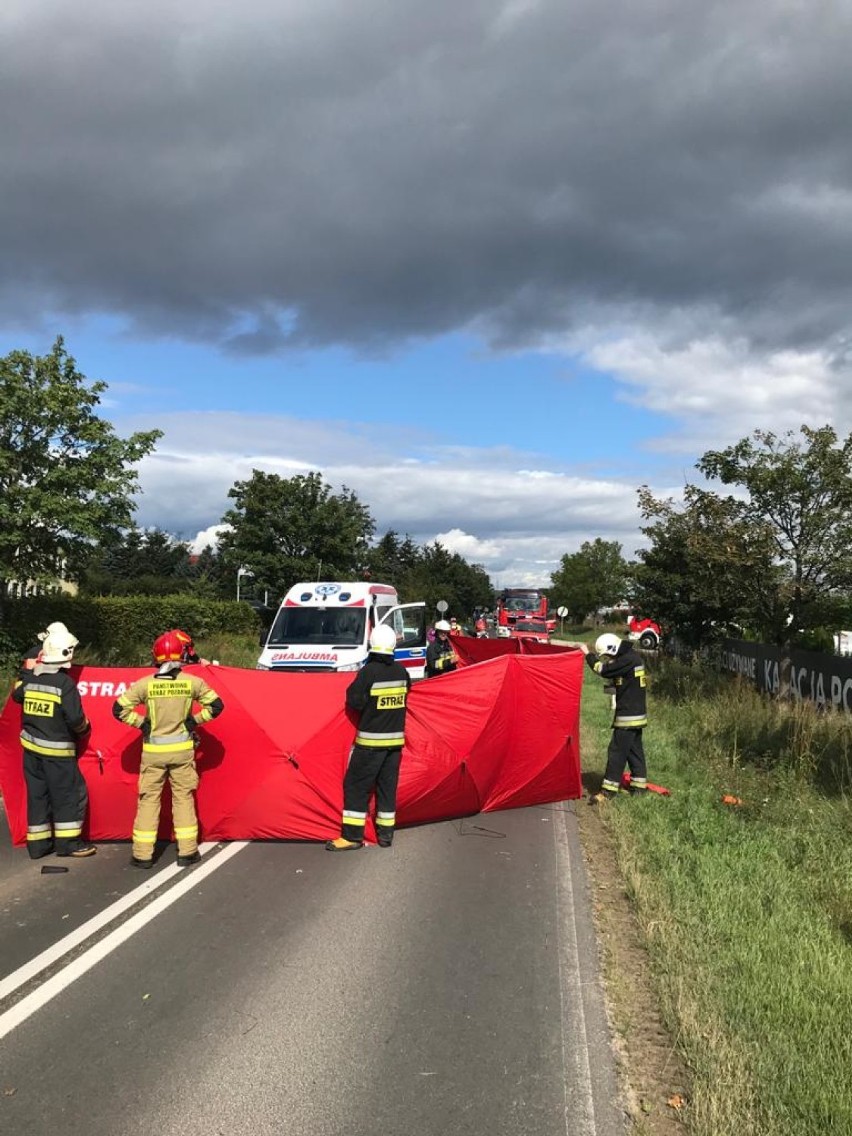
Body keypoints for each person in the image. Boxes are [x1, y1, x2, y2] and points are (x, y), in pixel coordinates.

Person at [112, 629, 224, 868]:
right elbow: (216, 705)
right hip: (183, 752)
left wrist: (141, 723)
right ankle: (187, 853)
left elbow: (118, 709)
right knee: (183, 799)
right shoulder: (192, 682)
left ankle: (142, 855)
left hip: (153, 754)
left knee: (148, 801)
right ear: (180, 656)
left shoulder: (145, 685)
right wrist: (194, 721)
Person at [12, 624, 96, 858]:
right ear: (66, 654)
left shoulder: (30, 680)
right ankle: (68, 843)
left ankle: (38, 845)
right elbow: (76, 718)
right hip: (57, 754)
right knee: (68, 796)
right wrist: (85, 729)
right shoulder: (64, 684)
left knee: (38, 797)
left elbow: (16, 695)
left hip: (31, 752)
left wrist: (28, 671)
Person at [326, 623, 411, 851]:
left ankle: (352, 837)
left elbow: (355, 701)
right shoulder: (401, 672)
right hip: (395, 746)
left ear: (372, 645)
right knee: (386, 788)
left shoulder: (368, 672)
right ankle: (385, 835)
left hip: (370, 744)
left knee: (355, 786)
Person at [573, 633, 648, 802]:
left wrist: (587, 654)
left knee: (617, 752)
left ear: (612, 648)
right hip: (636, 714)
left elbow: (603, 670)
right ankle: (639, 788)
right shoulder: (631, 658)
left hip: (628, 715)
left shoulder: (627, 660)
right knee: (634, 752)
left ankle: (608, 791)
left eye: (607, 654)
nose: (608, 658)